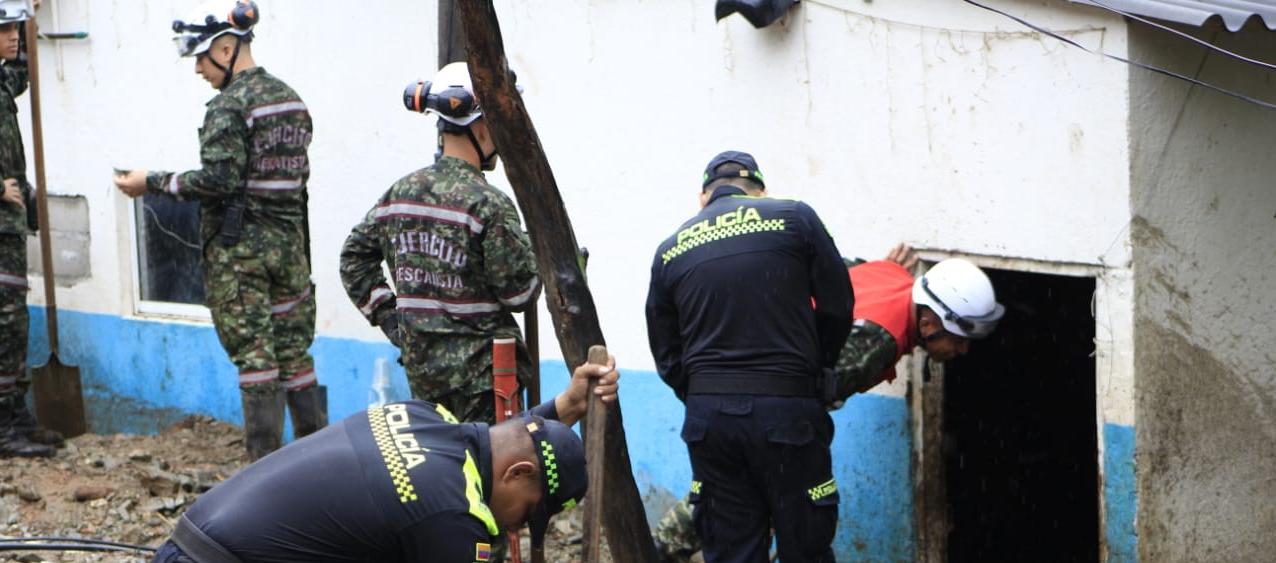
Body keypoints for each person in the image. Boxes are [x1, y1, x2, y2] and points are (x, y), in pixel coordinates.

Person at [653, 244, 1006, 561]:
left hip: (736, 371)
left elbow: (832, 275)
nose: (962, 350)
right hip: (756, 398)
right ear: (929, 322)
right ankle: (661, 547)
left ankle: (660, 547)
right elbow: (801, 398)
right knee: (751, 500)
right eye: (960, 340)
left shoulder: (891, 274)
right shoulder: (875, 342)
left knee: (736, 498)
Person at [150, 355, 620, 563]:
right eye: (526, 513)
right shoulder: (452, 518)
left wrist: (563, 408)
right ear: (519, 475)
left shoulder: (421, 416)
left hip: (191, 541)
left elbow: (495, 441)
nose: (514, 527)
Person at [113, 1, 324, 460]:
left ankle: (262, 471)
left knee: (255, 359)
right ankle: (317, 463)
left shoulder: (229, 107)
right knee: (295, 357)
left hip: (241, 252)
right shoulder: (291, 99)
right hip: (289, 249)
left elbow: (219, 181)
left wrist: (152, 181)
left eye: (201, 58)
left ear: (227, 48)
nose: (197, 70)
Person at [645, 150, 854, 563]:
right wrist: (816, 371)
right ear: (759, 191)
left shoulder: (670, 250)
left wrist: (703, 394)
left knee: (731, 550)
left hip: (711, 425)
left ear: (703, 198)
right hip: (787, 414)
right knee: (805, 547)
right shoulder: (794, 218)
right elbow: (837, 305)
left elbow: (665, 348)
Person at [340, 61, 540, 424]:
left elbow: (354, 259)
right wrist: (534, 255)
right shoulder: (488, 204)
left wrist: (393, 320)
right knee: (489, 474)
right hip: (486, 385)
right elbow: (519, 294)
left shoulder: (400, 194)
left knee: (441, 471)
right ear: (480, 128)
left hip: (424, 379)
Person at [0, 0, 61, 459]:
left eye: (13, 29)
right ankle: (2, 427)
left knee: (15, 323)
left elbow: (23, 67)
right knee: (3, 325)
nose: (13, 37)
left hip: (10, 227)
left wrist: (28, 12)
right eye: (4, 30)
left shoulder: (2, 82)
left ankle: (14, 412)